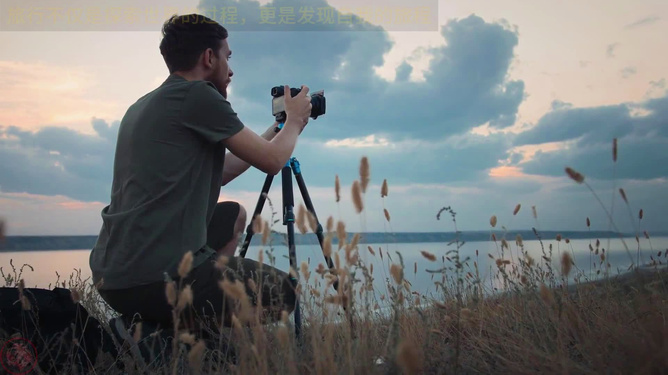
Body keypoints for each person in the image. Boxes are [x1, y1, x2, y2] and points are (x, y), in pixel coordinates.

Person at [89, 13, 313, 333]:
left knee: (233, 214)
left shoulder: (147, 103)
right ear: (209, 57)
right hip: (154, 278)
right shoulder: (198, 95)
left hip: (114, 274)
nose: (231, 69)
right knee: (283, 293)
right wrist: (294, 121)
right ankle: (168, 336)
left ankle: (176, 326)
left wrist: (276, 130)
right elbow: (274, 162)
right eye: (227, 56)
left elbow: (221, 172)